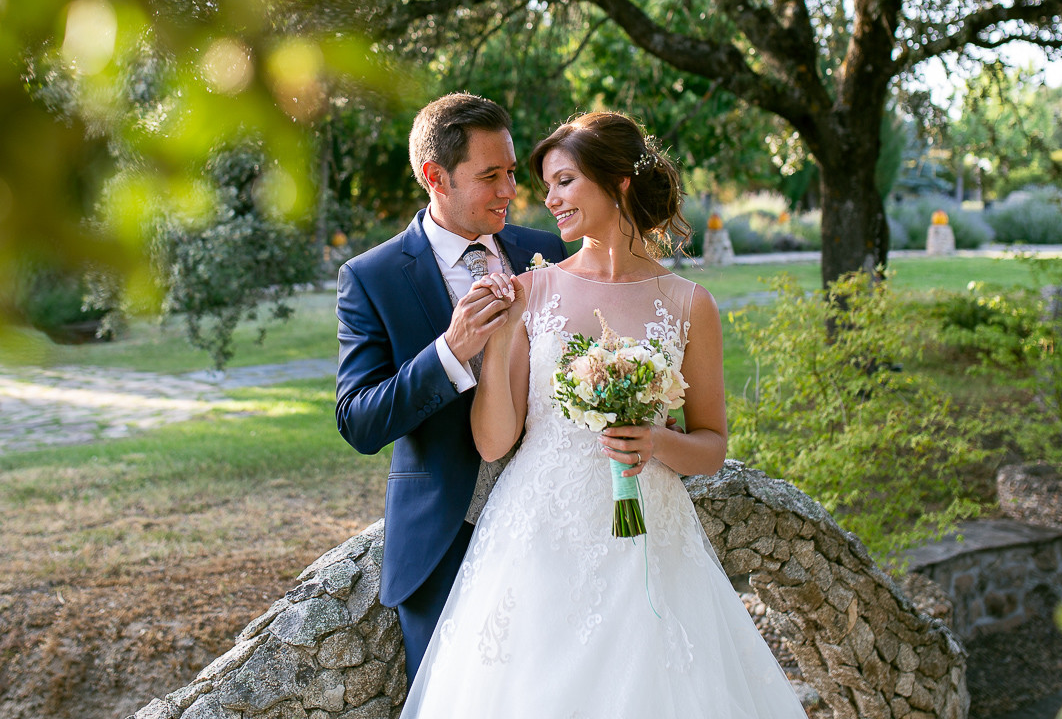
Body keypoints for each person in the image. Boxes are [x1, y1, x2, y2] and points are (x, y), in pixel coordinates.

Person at [399, 112, 807, 717]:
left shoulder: (691, 304)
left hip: (651, 542)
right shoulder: (532, 290)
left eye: (564, 181)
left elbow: (712, 444)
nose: (547, 199)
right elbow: (491, 444)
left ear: (617, 182)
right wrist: (504, 336)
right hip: (538, 542)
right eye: (546, 185)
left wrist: (657, 444)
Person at [334, 93, 569, 683]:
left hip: (555, 527)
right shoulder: (372, 278)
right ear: (434, 176)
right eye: (490, 176)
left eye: (512, 173)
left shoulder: (547, 252)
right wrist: (449, 353)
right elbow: (358, 421)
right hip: (443, 545)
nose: (510, 190)